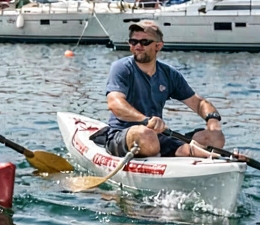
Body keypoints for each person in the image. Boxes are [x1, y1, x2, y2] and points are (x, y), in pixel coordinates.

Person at [91, 20, 225, 158]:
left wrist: (213, 122)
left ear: (158, 46)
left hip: (156, 136)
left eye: (144, 42)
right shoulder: (121, 68)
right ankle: (178, 153)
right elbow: (114, 104)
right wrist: (145, 120)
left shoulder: (169, 74)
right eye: (133, 42)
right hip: (122, 135)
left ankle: (186, 154)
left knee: (215, 138)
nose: (138, 46)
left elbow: (199, 103)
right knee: (146, 134)